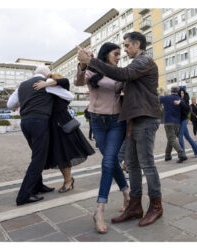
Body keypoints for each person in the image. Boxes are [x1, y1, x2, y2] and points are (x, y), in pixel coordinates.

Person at [77, 31, 163, 227]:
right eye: (123, 46)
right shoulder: (135, 63)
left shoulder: (144, 61)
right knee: (132, 164)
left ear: (138, 44)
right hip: (132, 118)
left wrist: (91, 60)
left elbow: (123, 74)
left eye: (127, 45)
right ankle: (134, 205)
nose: (124, 49)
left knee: (147, 163)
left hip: (145, 117)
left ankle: (156, 206)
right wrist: (86, 64)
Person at [75, 42, 130, 233]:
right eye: (116, 53)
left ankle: (99, 209)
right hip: (97, 123)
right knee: (111, 162)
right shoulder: (92, 70)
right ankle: (127, 193)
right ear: (106, 54)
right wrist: (83, 64)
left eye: (120, 54)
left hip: (116, 122)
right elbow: (78, 82)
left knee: (108, 163)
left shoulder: (119, 72)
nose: (118, 57)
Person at [7, 66, 74, 206]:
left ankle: (38, 186)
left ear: (33, 73)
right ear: (47, 74)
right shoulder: (45, 83)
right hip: (39, 122)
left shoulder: (22, 85)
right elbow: (70, 96)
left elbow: (10, 104)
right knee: (39, 158)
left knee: (37, 155)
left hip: (25, 122)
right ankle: (24, 195)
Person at [32, 74, 95, 193]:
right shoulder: (49, 92)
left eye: (51, 80)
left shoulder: (62, 90)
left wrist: (46, 82)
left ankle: (68, 181)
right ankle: (68, 180)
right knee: (59, 155)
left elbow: (65, 80)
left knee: (64, 154)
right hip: (53, 125)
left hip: (62, 125)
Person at [160, 87, 188, 163]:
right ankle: (168, 155)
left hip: (168, 121)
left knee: (171, 139)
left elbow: (157, 100)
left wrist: (161, 95)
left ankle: (181, 153)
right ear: (177, 91)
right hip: (177, 123)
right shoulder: (180, 100)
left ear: (171, 91)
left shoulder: (166, 98)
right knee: (171, 139)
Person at [177, 88, 197, 158]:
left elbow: (187, 109)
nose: (181, 94)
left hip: (184, 119)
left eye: (183, 93)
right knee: (187, 137)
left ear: (184, 94)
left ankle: (182, 154)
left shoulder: (185, 101)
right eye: (180, 93)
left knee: (180, 136)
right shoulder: (178, 100)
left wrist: (180, 103)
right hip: (180, 120)